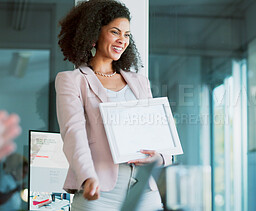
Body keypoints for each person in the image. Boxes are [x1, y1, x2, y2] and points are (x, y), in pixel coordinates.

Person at [56, 1, 172, 210]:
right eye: (115, 32)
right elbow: (73, 132)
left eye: (127, 35)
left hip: (145, 191)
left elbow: (158, 131)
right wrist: (87, 177)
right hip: (100, 191)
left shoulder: (140, 82)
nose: (122, 40)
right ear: (94, 34)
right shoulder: (72, 80)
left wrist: (160, 157)